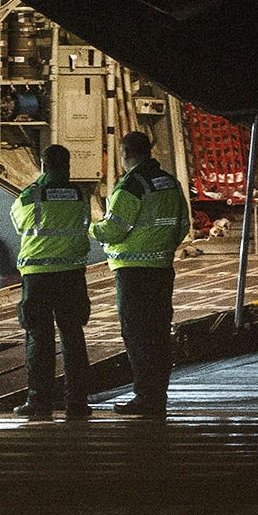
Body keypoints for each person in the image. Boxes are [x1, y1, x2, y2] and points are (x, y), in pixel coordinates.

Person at [90, 131, 190, 419]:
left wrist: (93, 228)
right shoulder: (170, 182)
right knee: (159, 334)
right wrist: (164, 247)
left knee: (137, 336)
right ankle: (158, 396)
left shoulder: (131, 186)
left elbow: (113, 229)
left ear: (125, 154)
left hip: (134, 273)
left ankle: (144, 397)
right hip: (162, 270)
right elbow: (183, 223)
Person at [10, 144, 92, 421]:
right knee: (73, 338)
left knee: (39, 338)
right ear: (68, 165)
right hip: (71, 274)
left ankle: (39, 402)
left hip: (38, 276)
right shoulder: (81, 195)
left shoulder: (30, 195)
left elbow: (19, 224)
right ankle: (78, 403)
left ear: (43, 165)